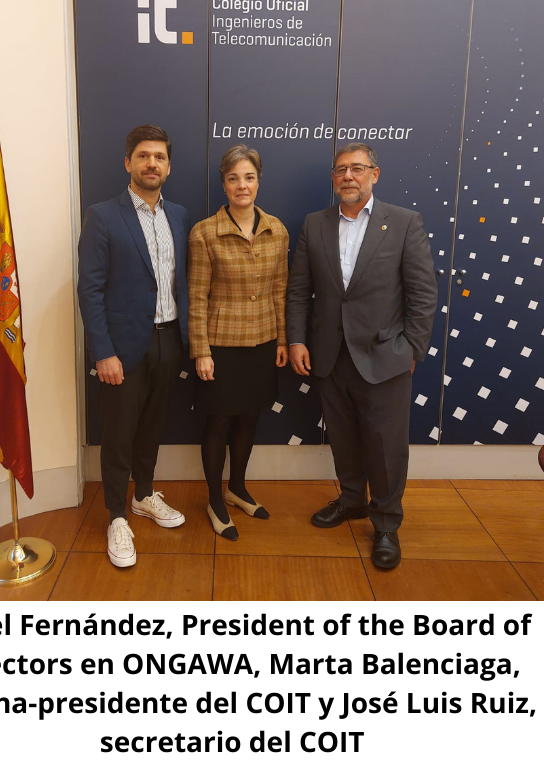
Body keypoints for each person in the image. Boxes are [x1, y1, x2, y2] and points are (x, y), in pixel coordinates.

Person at [286, 142, 438, 568]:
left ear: (375, 174)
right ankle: (352, 500)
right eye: (340, 170)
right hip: (329, 355)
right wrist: (296, 339)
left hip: (385, 356)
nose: (348, 176)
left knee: (387, 447)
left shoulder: (404, 222)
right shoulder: (314, 224)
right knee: (344, 437)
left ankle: (387, 524)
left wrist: (412, 347)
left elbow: (424, 294)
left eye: (357, 169)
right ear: (333, 179)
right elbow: (299, 290)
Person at [77, 125, 189, 568]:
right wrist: (103, 351)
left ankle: (144, 495)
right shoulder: (103, 215)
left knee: (153, 425)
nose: (151, 164)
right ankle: (117, 516)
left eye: (159, 157)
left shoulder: (178, 216)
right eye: (143, 156)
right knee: (118, 434)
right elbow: (90, 290)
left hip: (168, 339)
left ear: (168, 165)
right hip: (121, 348)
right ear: (128, 163)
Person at [188, 145, 289, 540]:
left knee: (250, 418)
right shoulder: (204, 232)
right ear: (224, 185)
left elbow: (281, 289)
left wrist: (282, 338)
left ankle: (237, 487)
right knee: (219, 423)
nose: (241, 185)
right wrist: (201, 350)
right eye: (233, 178)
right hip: (220, 346)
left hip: (263, 342)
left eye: (248, 177)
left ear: (258, 181)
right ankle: (215, 499)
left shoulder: (276, 229)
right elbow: (197, 296)